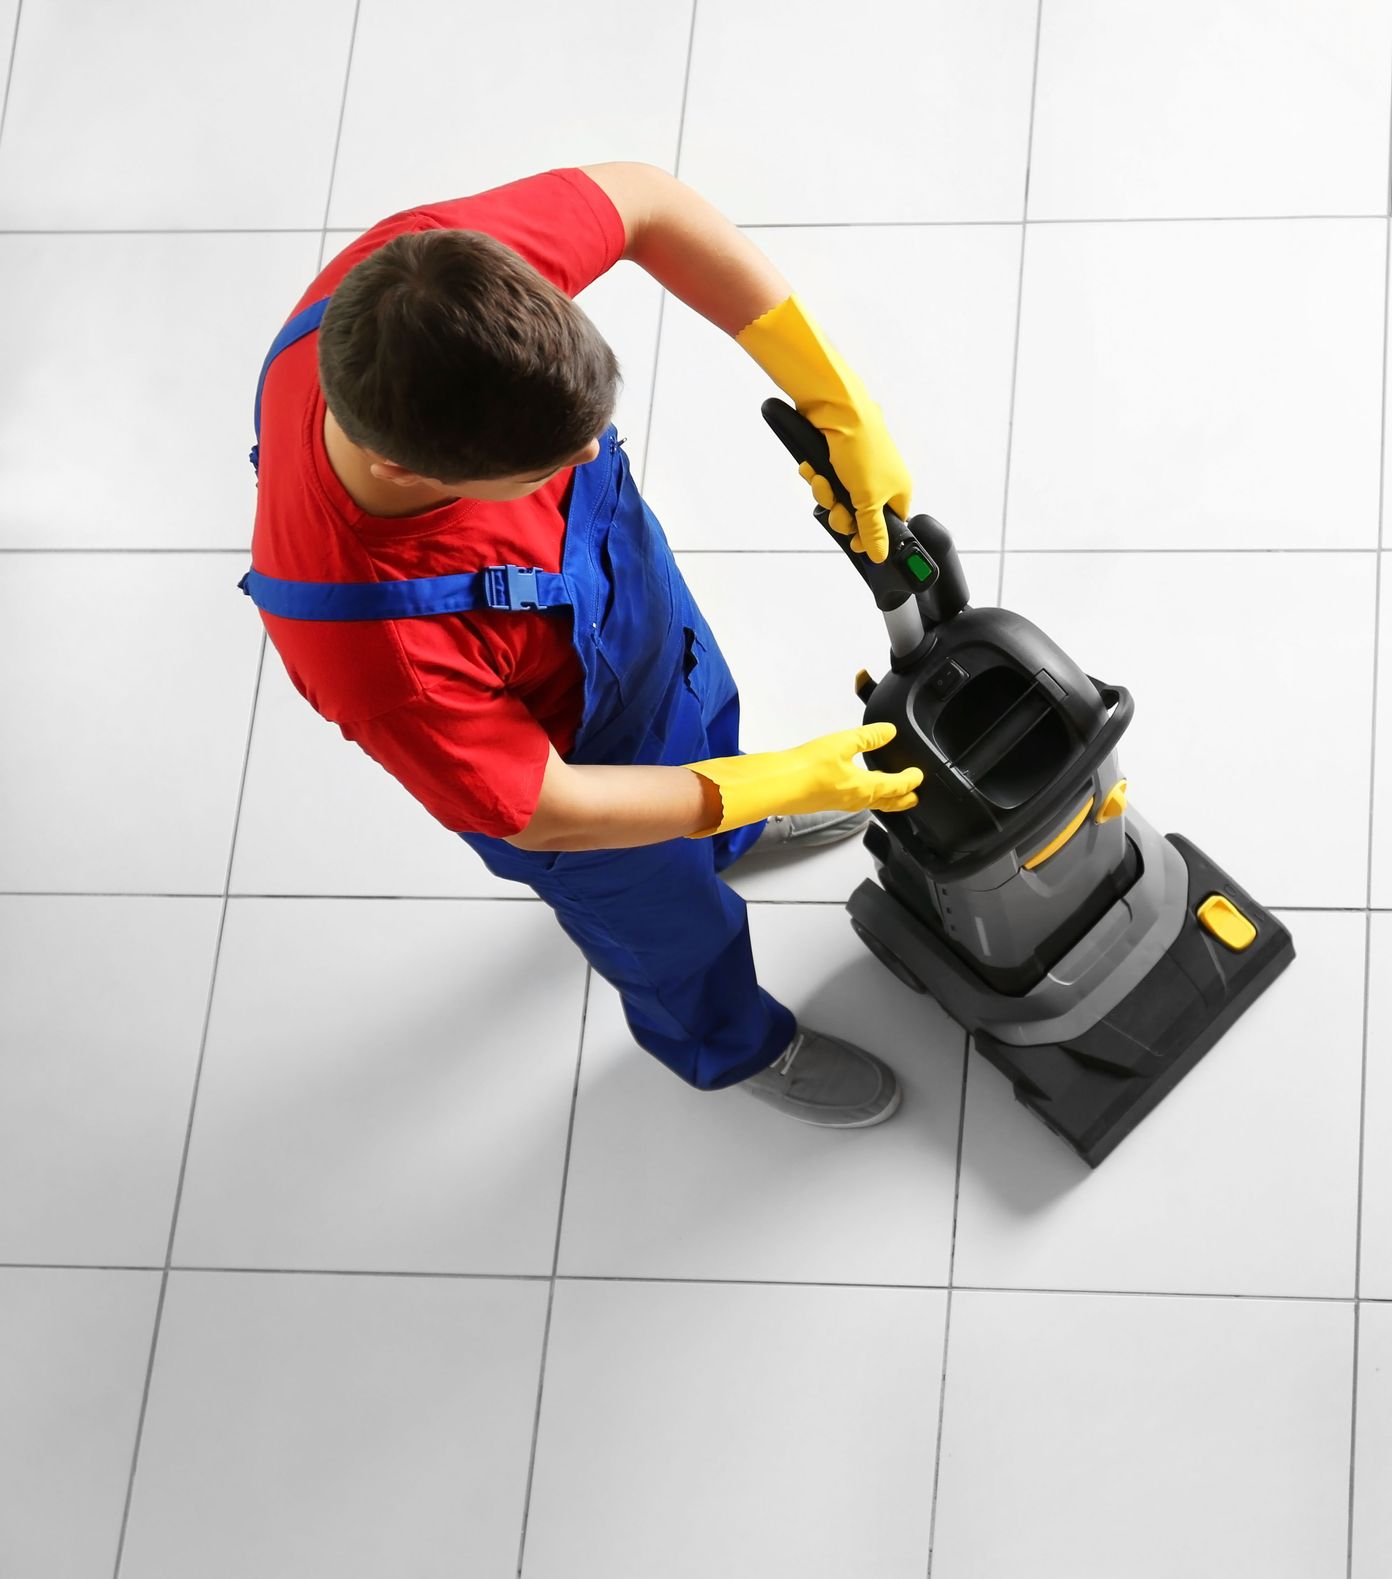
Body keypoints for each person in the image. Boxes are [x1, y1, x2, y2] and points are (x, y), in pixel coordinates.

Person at [240, 163, 924, 1128]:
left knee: (704, 711)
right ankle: (730, 1046)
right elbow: (547, 812)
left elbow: (647, 203)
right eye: (548, 465)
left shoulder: (433, 288)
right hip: (572, 783)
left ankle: (723, 831)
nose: (588, 458)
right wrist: (781, 780)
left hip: (632, 624)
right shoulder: (366, 641)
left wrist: (837, 400)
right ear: (405, 467)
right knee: (671, 929)